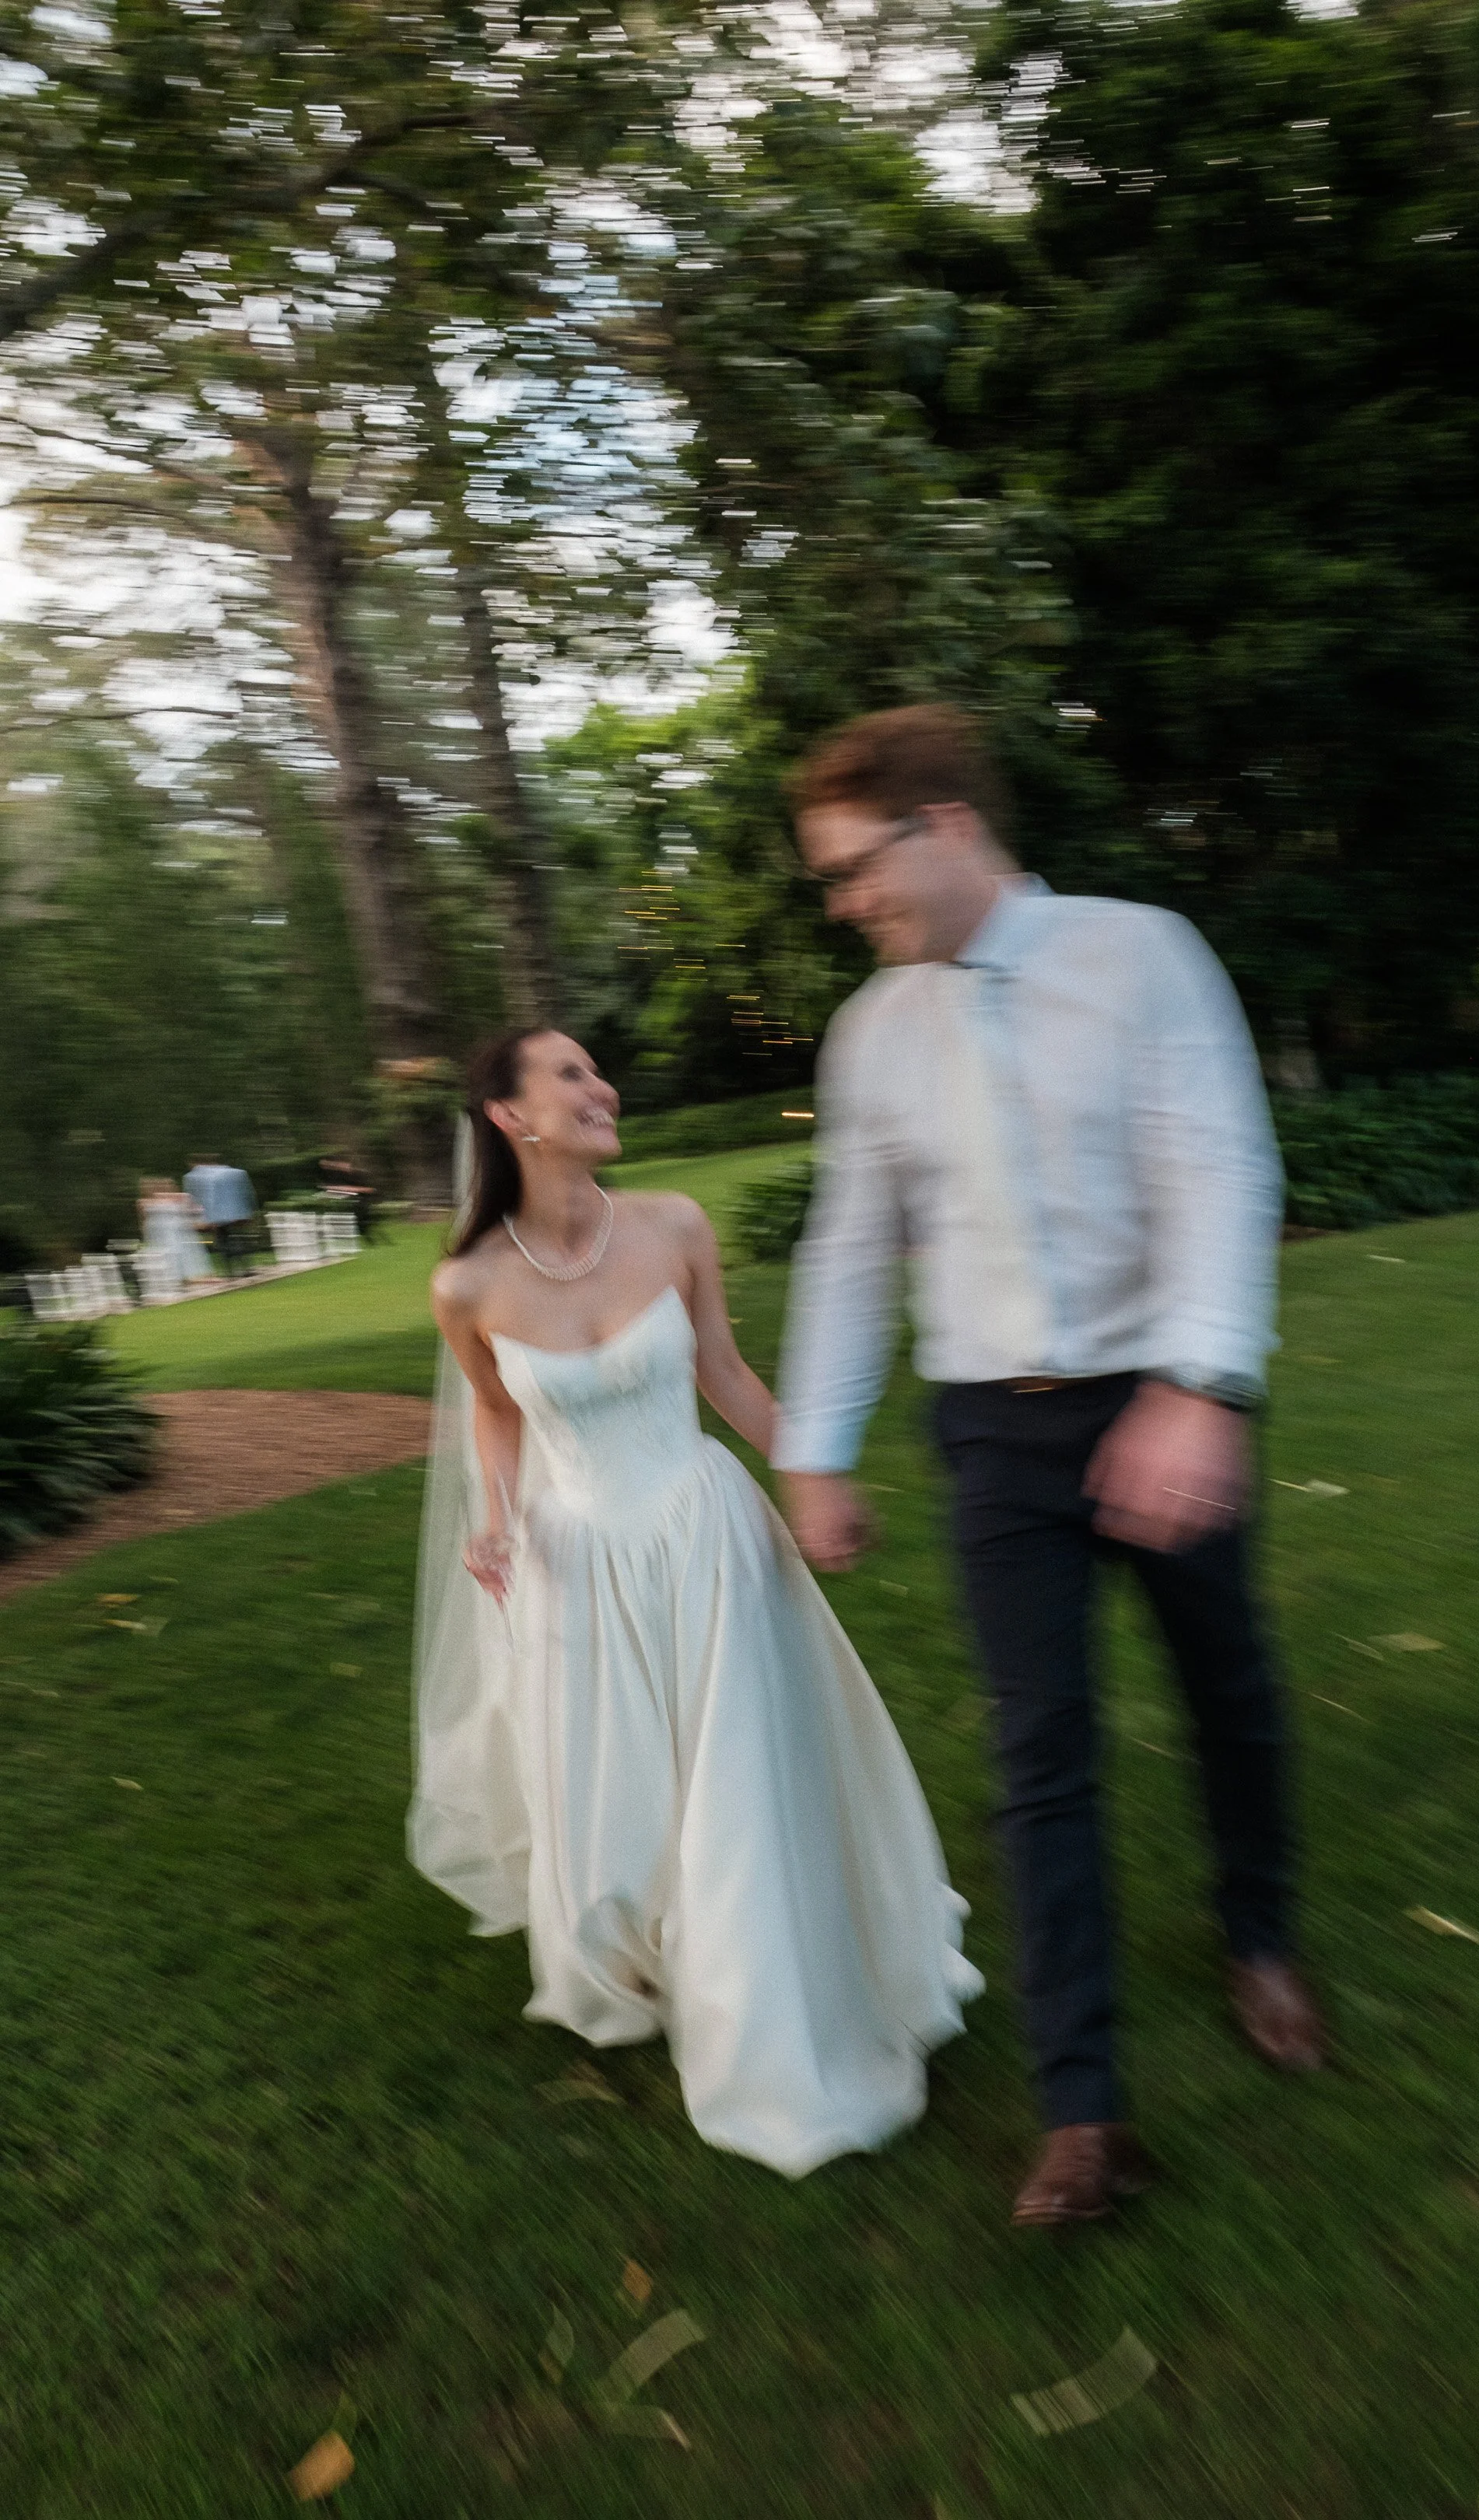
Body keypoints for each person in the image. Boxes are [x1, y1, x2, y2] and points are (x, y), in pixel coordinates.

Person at [773, 705, 1324, 2231]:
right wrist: (813, 1451)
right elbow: (847, 1249)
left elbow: (1221, 1169)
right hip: (992, 1433)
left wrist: (1200, 1387)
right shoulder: (872, 1032)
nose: (842, 903)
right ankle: (1083, 2114)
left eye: (851, 868)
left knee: (1227, 1683)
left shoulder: (1142, 955)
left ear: (947, 823)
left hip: (1158, 1392)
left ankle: (1260, 1935)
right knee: (1041, 1752)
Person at [409, 1027, 981, 2179]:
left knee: (736, 1783)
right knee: (621, 1804)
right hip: (580, 1564)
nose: (599, 1086)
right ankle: (652, 1953)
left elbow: (722, 1370)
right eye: (568, 1075)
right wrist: (494, 1515)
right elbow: (496, 1409)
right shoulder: (467, 1284)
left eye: (595, 1069)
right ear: (511, 1118)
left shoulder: (672, 1223)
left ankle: (765, 1989)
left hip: (708, 1537)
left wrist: (807, 1475)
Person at [137, 1177, 213, 1292]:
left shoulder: (178, 1198)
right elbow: (143, 1219)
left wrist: (197, 1222)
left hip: (174, 1229)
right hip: (156, 1231)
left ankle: (183, 1277)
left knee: (177, 1252)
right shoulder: (143, 1202)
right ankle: (170, 1278)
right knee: (163, 1253)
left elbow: (191, 1211)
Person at [184, 1156, 257, 1275]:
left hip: (218, 1215)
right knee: (239, 1238)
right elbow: (247, 1192)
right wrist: (250, 1209)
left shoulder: (196, 1177)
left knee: (223, 1241)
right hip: (239, 1213)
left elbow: (202, 1198)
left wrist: (205, 1217)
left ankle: (230, 1270)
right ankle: (245, 1267)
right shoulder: (237, 1173)